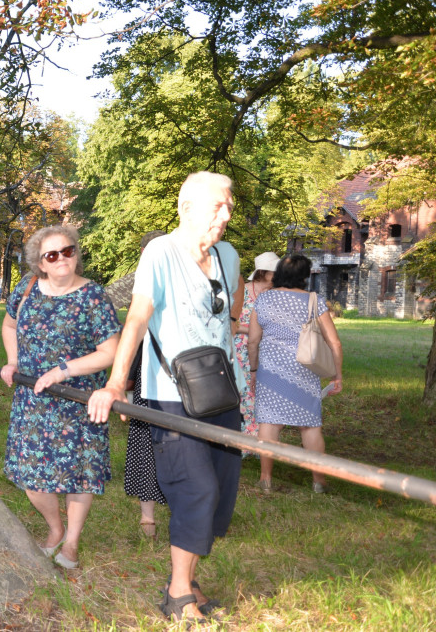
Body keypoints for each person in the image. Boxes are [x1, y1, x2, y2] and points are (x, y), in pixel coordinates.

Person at [87, 171, 242, 624]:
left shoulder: (229, 256)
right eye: (217, 206)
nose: (225, 215)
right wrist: (116, 383)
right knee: (196, 487)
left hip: (222, 392)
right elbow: (137, 318)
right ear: (186, 208)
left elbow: (228, 317)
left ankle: (189, 580)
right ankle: (177, 594)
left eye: (229, 206)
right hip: (171, 396)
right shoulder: (161, 252)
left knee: (219, 492)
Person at [0, 225, 120, 570]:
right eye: (52, 255)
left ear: (76, 254)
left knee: (79, 473)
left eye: (68, 251)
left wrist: (63, 370)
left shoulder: (93, 295)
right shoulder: (26, 287)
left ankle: (72, 543)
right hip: (33, 399)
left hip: (78, 399)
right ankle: (55, 529)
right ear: (40, 263)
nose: (62, 258)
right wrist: (13, 361)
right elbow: (9, 326)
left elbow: (110, 351)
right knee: (31, 474)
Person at [248, 254, 343, 493]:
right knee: (310, 426)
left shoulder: (263, 299)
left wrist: (254, 370)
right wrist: (337, 375)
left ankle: (265, 479)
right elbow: (334, 342)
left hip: (270, 371)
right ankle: (319, 482)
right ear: (304, 276)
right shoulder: (314, 300)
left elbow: (253, 341)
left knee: (269, 423)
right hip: (304, 370)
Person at [122, 230, 167, 539]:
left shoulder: (142, 282)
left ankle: (148, 518)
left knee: (148, 443)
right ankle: (149, 517)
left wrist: (124, 377)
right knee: (155, 443)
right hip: (158, 376)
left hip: (157, 376)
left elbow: (133, 331)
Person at [234, 252, 280, 439]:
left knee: (264, 397)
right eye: (274, 271)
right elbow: (230, 323)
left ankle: (262, 439)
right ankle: (245, 439)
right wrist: (253, 331)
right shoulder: (241, 291)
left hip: (267, 352)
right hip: (241, 351)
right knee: (245, 394)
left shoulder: (275, 295)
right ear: (262, 272)